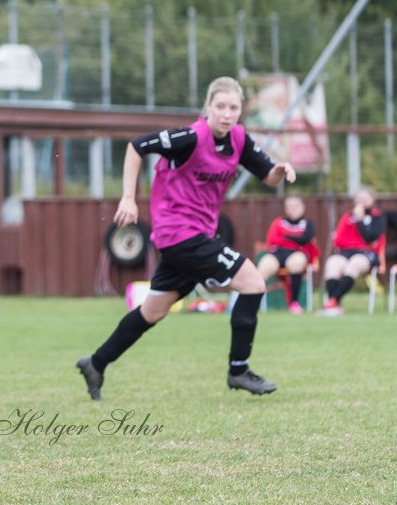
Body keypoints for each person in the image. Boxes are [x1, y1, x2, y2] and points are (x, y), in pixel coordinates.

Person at [76, 77, 296, 401]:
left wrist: (281, 170)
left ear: (239, 111)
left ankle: (95, 363)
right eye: (220, 106)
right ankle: (239, 370)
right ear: (208, 107)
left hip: (196, 236)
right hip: (179, 235)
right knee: (252, 282)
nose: (226, 113)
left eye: (233, 108)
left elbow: (266, 174)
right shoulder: (191, 137)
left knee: (153, 311)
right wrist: (127, 197)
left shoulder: (238, 139)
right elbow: (137, 146)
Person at [318, 186, 386, 316]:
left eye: (365, 199)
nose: (362, 202)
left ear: (372, 200)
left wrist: (360, 220)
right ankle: (334, 305)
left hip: (368, 254)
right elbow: (338, 240)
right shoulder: (348, 217)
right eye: (359, 199)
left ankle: (333, 301)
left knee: (354, 263)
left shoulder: (378, 217)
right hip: (346, 252)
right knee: (333, 263)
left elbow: (370, 238)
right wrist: (349, 242)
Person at [257, 194, 318, 314]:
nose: (292, 208)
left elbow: (306, 238)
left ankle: (294, 303)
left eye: (295, 205)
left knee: (296, 262)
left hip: (297, 253)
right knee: (265, 264)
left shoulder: (307, 223)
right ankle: (252, 302)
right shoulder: (279, 222)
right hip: (278, 253)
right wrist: (294, 239)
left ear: (303, 207)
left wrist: (286, 238)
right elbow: (273, 240)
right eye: (289, 206)